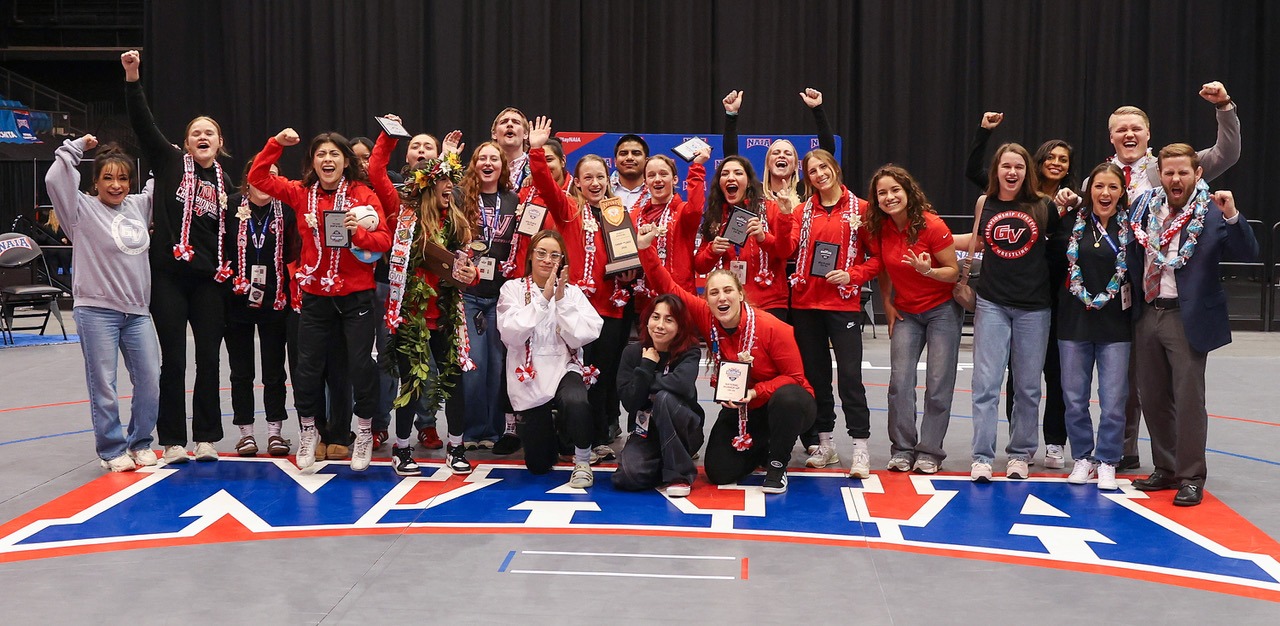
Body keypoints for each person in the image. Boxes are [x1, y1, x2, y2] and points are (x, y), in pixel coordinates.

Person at [1065, 83, 1242, 471]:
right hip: (1128, 296)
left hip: (1177, 293)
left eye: (1136, 128)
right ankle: (1124, 451)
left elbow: (1226, 152)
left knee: (1179, 389)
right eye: (1120, 129)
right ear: (1110, 137)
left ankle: (1182, 466)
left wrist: (1225, 107)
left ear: (1148, 134)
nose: (1129, 134)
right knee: (1130, 383)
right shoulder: (1100, 179)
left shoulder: (1169, 167)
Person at [248, 127, 391, 471]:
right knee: (307, 369)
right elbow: (258, 177)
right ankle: (310, 431)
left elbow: (384, 240)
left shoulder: (362, 194)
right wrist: (275, 144)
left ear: (345, 161)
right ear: (313, 161)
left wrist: (360, 233)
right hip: (315, 298)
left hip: (356, 298)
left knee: (361, 367)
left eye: (334, 154)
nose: (328, 160)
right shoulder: (301, 194)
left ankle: (363, 433)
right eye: (321, 154)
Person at [638, 224, 816, 494]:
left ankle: (777, 465)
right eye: (713, 293)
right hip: (743, 409)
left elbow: (796, 379)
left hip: (787, 405)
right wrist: (645, 248)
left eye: (728, 291)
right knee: (719, 472)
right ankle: (761, 444)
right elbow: (667, 286)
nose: (722, 297)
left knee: (789, 397)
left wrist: (756, 391)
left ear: (741, 295)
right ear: (706, 300)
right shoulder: (706, 316)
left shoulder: (773, 328)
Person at [1125, 144, 1257, 506]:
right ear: (1160, 174)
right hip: (1148, 311)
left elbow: (1249, 254)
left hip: (1187, 316)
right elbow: (1132, 252)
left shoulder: (1212, 210)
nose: (1175, 178)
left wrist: (1232, 216)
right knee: (1151, 397)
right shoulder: (1144, 206)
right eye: (1168, 172)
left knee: (1187, 399)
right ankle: (1166, 468)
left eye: (1183, 172)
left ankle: (1191, 476)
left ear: (1197, 174)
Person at [122, 49, 230, 464]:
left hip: (209, 281)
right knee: (174, 361)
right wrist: (133, 76)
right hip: (168, 278)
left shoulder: (226, 186)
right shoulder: (169, 162)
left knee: (207, 360)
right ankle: (172, 439)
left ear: (220, 144)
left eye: (211, 133)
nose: (203, 137)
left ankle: (205, 437)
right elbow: (142, 123)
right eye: (196, 133)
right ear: (186, 143)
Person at [368, 116, 478, 475]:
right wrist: (388, 135)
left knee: (455, 381)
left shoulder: (458, 220)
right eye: (443, 181)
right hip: (411, 313)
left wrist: (469, 273)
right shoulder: (403, 212)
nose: (450, 187)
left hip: (446, 313)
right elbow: (376, 168)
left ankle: (457, 446)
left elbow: (468, 269)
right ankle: (401, 449)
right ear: (429, 184)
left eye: (452, 181)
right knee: (411, 382)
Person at [965, 112, 1075, 470]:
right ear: (997, 170)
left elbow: (1062, 251)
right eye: (1005, 166)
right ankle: (982, 456)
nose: (1011, 172)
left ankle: (1020, 454)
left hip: (1034, 308)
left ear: (1028, 171)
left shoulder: (1044, 207)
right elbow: (977, 243)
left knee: (1028, 387)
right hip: (992, 304)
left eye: (1018, 167)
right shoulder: (986, 203)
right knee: (985, 384)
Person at [45, 135, 158, 472]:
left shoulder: (138, 206)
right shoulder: (80, 209)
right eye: (107, 177)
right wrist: (75, 147)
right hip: (96, 312)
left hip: (137, 312)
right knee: (104, 384)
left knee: (150, 379)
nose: (116, 185)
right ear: (94, 181)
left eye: (122, 178)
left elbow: (163, 181)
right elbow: (54, 179)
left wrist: (168, 154)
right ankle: (112, 449)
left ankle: (141, 442)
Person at [527, 116, 633, 459]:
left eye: (601, 176)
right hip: (572, 309)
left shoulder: (618, 214)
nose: (595, 182)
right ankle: (569, 437)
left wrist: (632, 273)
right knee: (571, 377)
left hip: (610, 309)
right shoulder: (568, 210)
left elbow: (629, 258)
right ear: (579, 182)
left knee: (603, 378)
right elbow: (544, 184)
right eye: (588, 177)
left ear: (608, 179)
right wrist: (537, 149)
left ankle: (599, 437)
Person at [866, 165, 961, 474]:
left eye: (895, 190)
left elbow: (953, 272)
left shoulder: (932, 226)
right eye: (882, 192)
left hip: (941, 309)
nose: (889, 197)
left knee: (938, 382)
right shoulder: (880, 228)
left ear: (908, 192)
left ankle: (930, 451)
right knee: (900, 382)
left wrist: (928, 271)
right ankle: (903, 449)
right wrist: (888, 304)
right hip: (906, 312)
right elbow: (883, 268)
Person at [789, 148, 877, 476]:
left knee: (851, 377)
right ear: (807, 178)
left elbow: (877, 259)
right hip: (805, 304)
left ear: (834, 168)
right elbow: (787, 248)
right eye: (812, 171)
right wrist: (785, 218)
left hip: (843, 305)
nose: (819, 174)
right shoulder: (801, 211)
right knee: (816, 378)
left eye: (823, 167)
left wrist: (852, 275)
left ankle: (861, 448)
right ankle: (825, 444)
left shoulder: (862, 210)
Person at [1050, 163, 1133, 491]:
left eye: (1113, 187)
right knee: (1074, 397)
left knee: (1113, 399)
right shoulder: (1071, 223)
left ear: (1122, 192)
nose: (1105, 193)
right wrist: (1058, 207)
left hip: (1116, 327)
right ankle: (1083, 457)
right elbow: (1053, 260)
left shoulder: (1132, 229)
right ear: (1089, 191)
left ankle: (1109, 460)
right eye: (1099, 186)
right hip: (1074, 323)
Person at [498, 230, 603, 487]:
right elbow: (510, 334)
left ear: (562, 261)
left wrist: (561, 300)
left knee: (577, 401)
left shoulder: (573, 293)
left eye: (554, 255)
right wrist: (543, 299)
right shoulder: (512, 289)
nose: (547, 260)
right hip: (529, 375)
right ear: (531, 256)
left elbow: (586, 334)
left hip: (563, 367)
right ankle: (553, 428)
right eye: (541, 253)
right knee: (539, 466)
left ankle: (582, 461)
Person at [225, 159, 298, 457]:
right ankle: (245, 433)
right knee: (240, 370)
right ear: (248, 178)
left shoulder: (287, 210)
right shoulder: (230, 206)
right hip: (236, 299)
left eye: (273, 176)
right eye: (261, 175)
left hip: (276, 299)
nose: (266, 181)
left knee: (273, 370)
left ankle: (275, 432)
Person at [455, 141, 519, 450]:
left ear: (503, 166)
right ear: (474, 164)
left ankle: (493, 431)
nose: (489, 162)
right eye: (483, 158)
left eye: (495, 158)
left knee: (498, 364)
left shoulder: (513, 200)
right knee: (473, 363)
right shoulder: (460, 197)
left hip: (502, 293)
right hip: (468, 293)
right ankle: (470, 430)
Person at [612, 294, 704, 497]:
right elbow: (630, 401)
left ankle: (679, 475)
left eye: (669, 320)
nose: (660, 325)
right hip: (645, 431)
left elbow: (682, 384)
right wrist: (646, 365)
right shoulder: (632, 353)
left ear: (680, 326)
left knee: (664, 397)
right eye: (656, 317)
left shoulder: (689, 351)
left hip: (684, 428)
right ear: (647, 320)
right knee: (627, 475)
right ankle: (664, 463)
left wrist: (643, 379)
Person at [694, 156, 795, 319]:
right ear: (720, 184)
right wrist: (712, 251)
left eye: (738, 173)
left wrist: (763, 238)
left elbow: (785, 252)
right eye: (725, 174)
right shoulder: (716, 216)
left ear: (748, 182)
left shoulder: (771, 208)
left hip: (770, 303)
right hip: (731, 303)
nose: (731, 177)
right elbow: (700, 266)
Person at [721, 87, 837, 202]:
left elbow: (826, 155)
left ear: (796, 165)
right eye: (776, 153)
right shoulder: (754, 192)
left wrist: (817, 109)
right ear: (768, 163)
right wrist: (731, 114)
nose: (781, 156)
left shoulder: (806, 191)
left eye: (788, 153)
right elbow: (731, 160)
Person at [629, 149, 709, 315]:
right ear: (645, 181)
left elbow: (695, 208)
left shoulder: (683, 212)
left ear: (674, 180)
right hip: (645, 299)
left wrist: (697, 167)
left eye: (663, 174)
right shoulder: (634, 216)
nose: (657, 179)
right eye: (651, 175)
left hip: (679, 297)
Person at [491, 108, 530, 189]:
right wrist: (456, 164)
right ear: (494, 134)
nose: (509, 124)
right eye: (504, 122)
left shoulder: (536, 168)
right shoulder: (484, 167)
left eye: (516, 122)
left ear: (525, 134)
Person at [612, 134, 649, 211]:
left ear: (646, 161)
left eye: (636, 153)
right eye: (623, 153)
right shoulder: (602, 190)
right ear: (615, 161)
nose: (629, 158)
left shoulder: (656, 191)